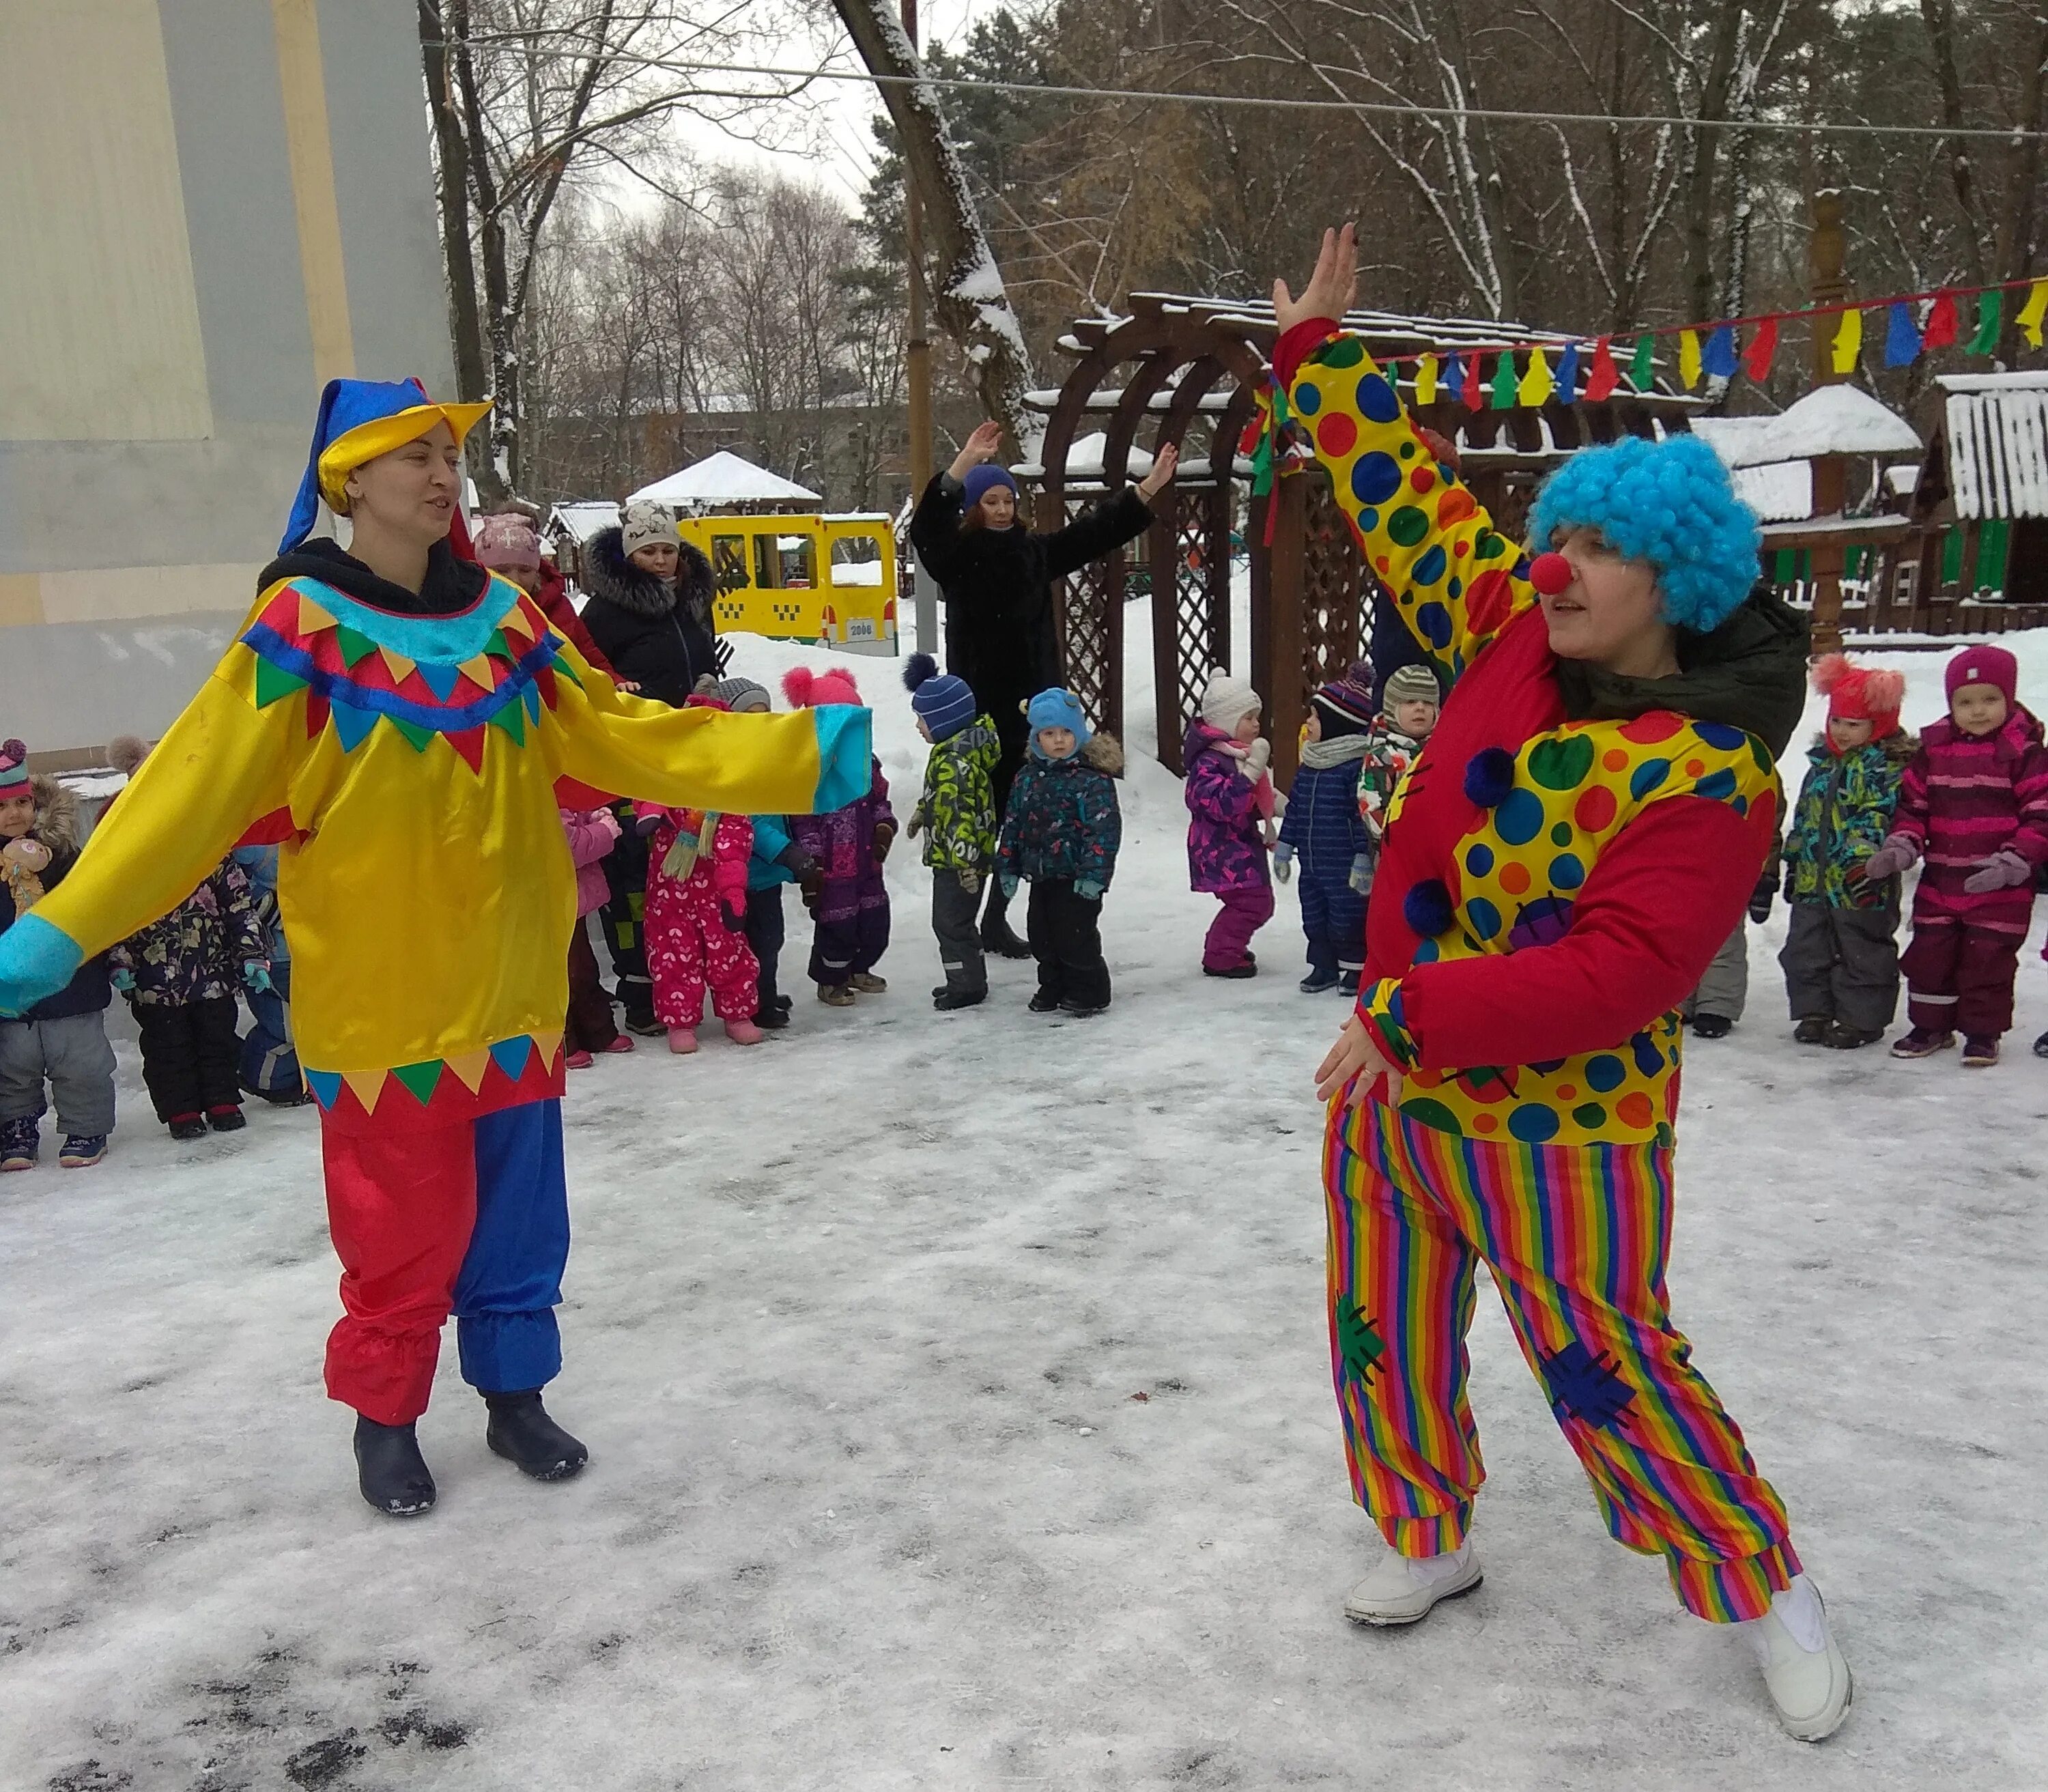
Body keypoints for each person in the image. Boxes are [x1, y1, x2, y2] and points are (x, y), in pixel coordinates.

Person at [0, 378, 869, 1518]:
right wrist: (58, 927)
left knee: (519, 1215)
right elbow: (188, 793)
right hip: (384, 1003)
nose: (441, 470)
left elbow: (620, 731)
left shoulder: (505, 623)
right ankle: (387, 1418)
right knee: (398, 1227)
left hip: (510, 984)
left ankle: (514, 1395)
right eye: (413, 452)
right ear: (348, 479)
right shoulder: (299, 630)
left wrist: (793, 754)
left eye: (450, 451)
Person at [1277, 226, 1846, 1740]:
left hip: (1561, 1127)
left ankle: (1756, 1570)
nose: (1558, 566)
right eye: (1560, 537)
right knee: (1380, 1327)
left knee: (1606, 1360)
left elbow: (1623, 974)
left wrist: (1405, 1016)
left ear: (1679, 581)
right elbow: (1408, 505)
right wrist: (1321, 357)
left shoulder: (1710, 774)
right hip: (1392, 1096)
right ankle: (1427, 1527)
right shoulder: (1507, 635)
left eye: (1598, 550)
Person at [909, 421, 1176, 960]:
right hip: (981, 714)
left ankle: (1000, 918)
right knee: (986, 817)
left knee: (1029, 819)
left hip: (1035, 710)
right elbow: (927, 527)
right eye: (991, 500)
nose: (1003, 509)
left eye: (1009, 499)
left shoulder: (1034, 551)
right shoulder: (955, 557)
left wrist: (1146, 490)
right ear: (974, 507)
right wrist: (962, 463)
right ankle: (969, 919)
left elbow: (1093, 534)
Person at [1862, 642, 2048, 1066]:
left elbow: (2041, 815)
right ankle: (1931, 1026)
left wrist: (2014, 862)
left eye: (1989, 699)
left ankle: (1983, 1034)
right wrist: (1901, 846)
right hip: (1942, 881)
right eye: (1965, 702)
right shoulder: (1934, 751)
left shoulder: (2025, 754)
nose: (1977, 711)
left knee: (1987, 961)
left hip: (2001, 885)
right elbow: (1914, 808)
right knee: (1930, 956)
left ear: (2010, 697)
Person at [1778, 654, 1911, 1049]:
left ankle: (1862, 1019)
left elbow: (1883, 815)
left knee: (1863, 951)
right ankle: (1814, 1011)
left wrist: (1863, 856)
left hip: (1861, 880)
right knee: (1806, 947)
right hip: (1812, 880)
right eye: (1837, 721)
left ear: (1879, 725)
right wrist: (1795, 858)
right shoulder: (1821, 766)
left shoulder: (1885, 768)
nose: (1843, 732)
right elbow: (1804, 816)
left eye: (1854, 724)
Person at [0, 739, 115, 1171]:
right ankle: (17, 1129)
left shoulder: (65, 850)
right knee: (15, 1068)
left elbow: (88, 896)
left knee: (81, 1063)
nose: (15, 814)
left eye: (23, 802)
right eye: (4, 807)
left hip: (72, 983)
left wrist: (44, 861)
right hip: (11, 991)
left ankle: (86, 1128)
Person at [111, 849, 269, 1140]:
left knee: (218, 1040)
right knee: (167, 1049)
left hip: (213, 974)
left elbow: (240, 907)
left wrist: (251, 953)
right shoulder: (125, 865)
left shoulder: (210, 853)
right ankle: (181, 1109)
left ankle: (223, 1099)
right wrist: (120, 961)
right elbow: (114, 919)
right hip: (154, 981)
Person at [640, 689, 763, 1055]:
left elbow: (735, 840)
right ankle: (680, 1020)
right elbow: (646, 789)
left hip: (716, 888)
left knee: (730, 950)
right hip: (671, 886)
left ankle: (738, 1014)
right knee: (674, 954)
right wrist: (649, 813)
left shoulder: (728, 792)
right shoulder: (668, 778)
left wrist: (733, 891)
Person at [995, 687, 1122, 1016]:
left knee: (1075, 935)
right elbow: (1013, 825)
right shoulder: (1027, 778)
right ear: (1037, 738)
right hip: (1041, 873)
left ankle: (1089, 989)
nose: (1060, 740)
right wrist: (1007, 868)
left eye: (1067, 732)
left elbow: (1103, 831)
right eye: (1049, 733)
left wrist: (1094, 876)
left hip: (1076, 877)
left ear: (1079, 733)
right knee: (1041, 933)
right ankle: (1053, 983)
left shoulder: (1092, 780)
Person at [784, 666, 895, 1008]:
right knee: (838, 924)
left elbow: (879, 799)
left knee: (875, 919)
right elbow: (804, 821)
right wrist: (813, 863)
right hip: (832, 868)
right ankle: (831, 979)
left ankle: (860, 968)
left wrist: (884, 826)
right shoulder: (809, 769)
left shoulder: (865, 762)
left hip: (867, 861)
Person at [711, 677, 814, 1032]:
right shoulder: (734, 765)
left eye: (767, 713)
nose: (763, 721)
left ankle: (763, 993)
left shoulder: (766, 757)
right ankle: (756, 1003)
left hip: (766, 875)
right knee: (752, 944)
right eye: (752, 715)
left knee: (771, 939)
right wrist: (786, 852)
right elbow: (747, 823)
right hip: (743, 875)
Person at [902, 653, 1001, 1012]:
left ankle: (966, 986)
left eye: (922, 720)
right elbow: (942, 800)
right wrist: (921, 813)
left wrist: (964, 865)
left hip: (959, 863)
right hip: (960, 858)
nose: (918, 727)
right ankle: (968, 979)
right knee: (958, 923)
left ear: (944, 721)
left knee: (950, 924)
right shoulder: (955, 754)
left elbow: (959, 815)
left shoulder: (954, 762)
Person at [1275, 662, 1379, 994]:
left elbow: (1364, 816)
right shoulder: (1310, 765)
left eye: (1316, 717)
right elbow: (1296, 809)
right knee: (1314, 913)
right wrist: (1284, 845)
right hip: (1312, 863)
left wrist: (1364, 856)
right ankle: (1324, 965)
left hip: (1345, 864)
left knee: (1347, 915)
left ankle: (1354, 968)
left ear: (1337, 724)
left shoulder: (1354, 769)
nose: (1309, 722)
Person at [578, 499, 723, 705]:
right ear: (630, 556)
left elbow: (709, 659)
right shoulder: (604, 610)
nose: (660, 561)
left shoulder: (694, 600)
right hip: (638, 728)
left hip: (700, 723)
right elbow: (588, 674)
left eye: (668, 551)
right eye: (648, 552)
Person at [1184, 668, 1279, 978]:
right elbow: (1222, 804)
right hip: (1220, 850)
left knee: (1256, 901)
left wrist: (1283, 806)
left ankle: (1228, 947)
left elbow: (1255, 795)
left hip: (1238, 845)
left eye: (1257, 717)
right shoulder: (1209, 762)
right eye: (1248, 717)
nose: (1256, 724)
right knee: (1255, 903)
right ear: (1225, 721)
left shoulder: (1235, 755)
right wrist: (1250, 774)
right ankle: (1221, 955)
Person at [472, 510, 615, 678]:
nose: (515, 579)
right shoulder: (470, 612)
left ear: (537, 572)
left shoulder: (556, 608)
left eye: (525, 570)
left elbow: (587, 652)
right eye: (501, 571)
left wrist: (614, 681)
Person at [233, 840, 311, 1105]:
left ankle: (292, 1080)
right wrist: (276, 911)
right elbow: (235, 885)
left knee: (306, 1023)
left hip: (306, 952)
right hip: (271, 958)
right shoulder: (254, 839)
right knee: (285, 1027)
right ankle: (261, 1079)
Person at [1354, 662, 1442, 898]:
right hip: (1396, 852)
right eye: (1411, 702)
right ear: (1393, 708)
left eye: (1428, 703)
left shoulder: (1444, 747)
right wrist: (1392, 839)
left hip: (1441, 850)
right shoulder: (1384, 756)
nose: (1420, 709)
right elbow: (1370, 803)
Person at [560, 804, 631, 1068]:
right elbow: (567, 848)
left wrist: (591, 818)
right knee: (566, 973)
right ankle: (564, 1041)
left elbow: (573, 825)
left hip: (569, 898)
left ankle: (598, 1032)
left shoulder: (561, 795)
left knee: (584, 968)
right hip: (552, 899)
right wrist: (604, 830)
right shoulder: (539, 797)